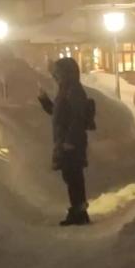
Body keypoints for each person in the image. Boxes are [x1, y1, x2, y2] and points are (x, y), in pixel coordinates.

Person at [37, 57, 96, 226]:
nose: (55, 76)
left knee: (74, 177)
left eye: (58, 72)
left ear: (67, 73)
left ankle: (79, 213)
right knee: (71, 177)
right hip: (66, 142)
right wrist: (43, 99)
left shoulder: (74, 90)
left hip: (72, 143)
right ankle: (79, 211)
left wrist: (69, 141)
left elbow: (77, 117)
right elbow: (58, 113)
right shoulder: (65, 89)